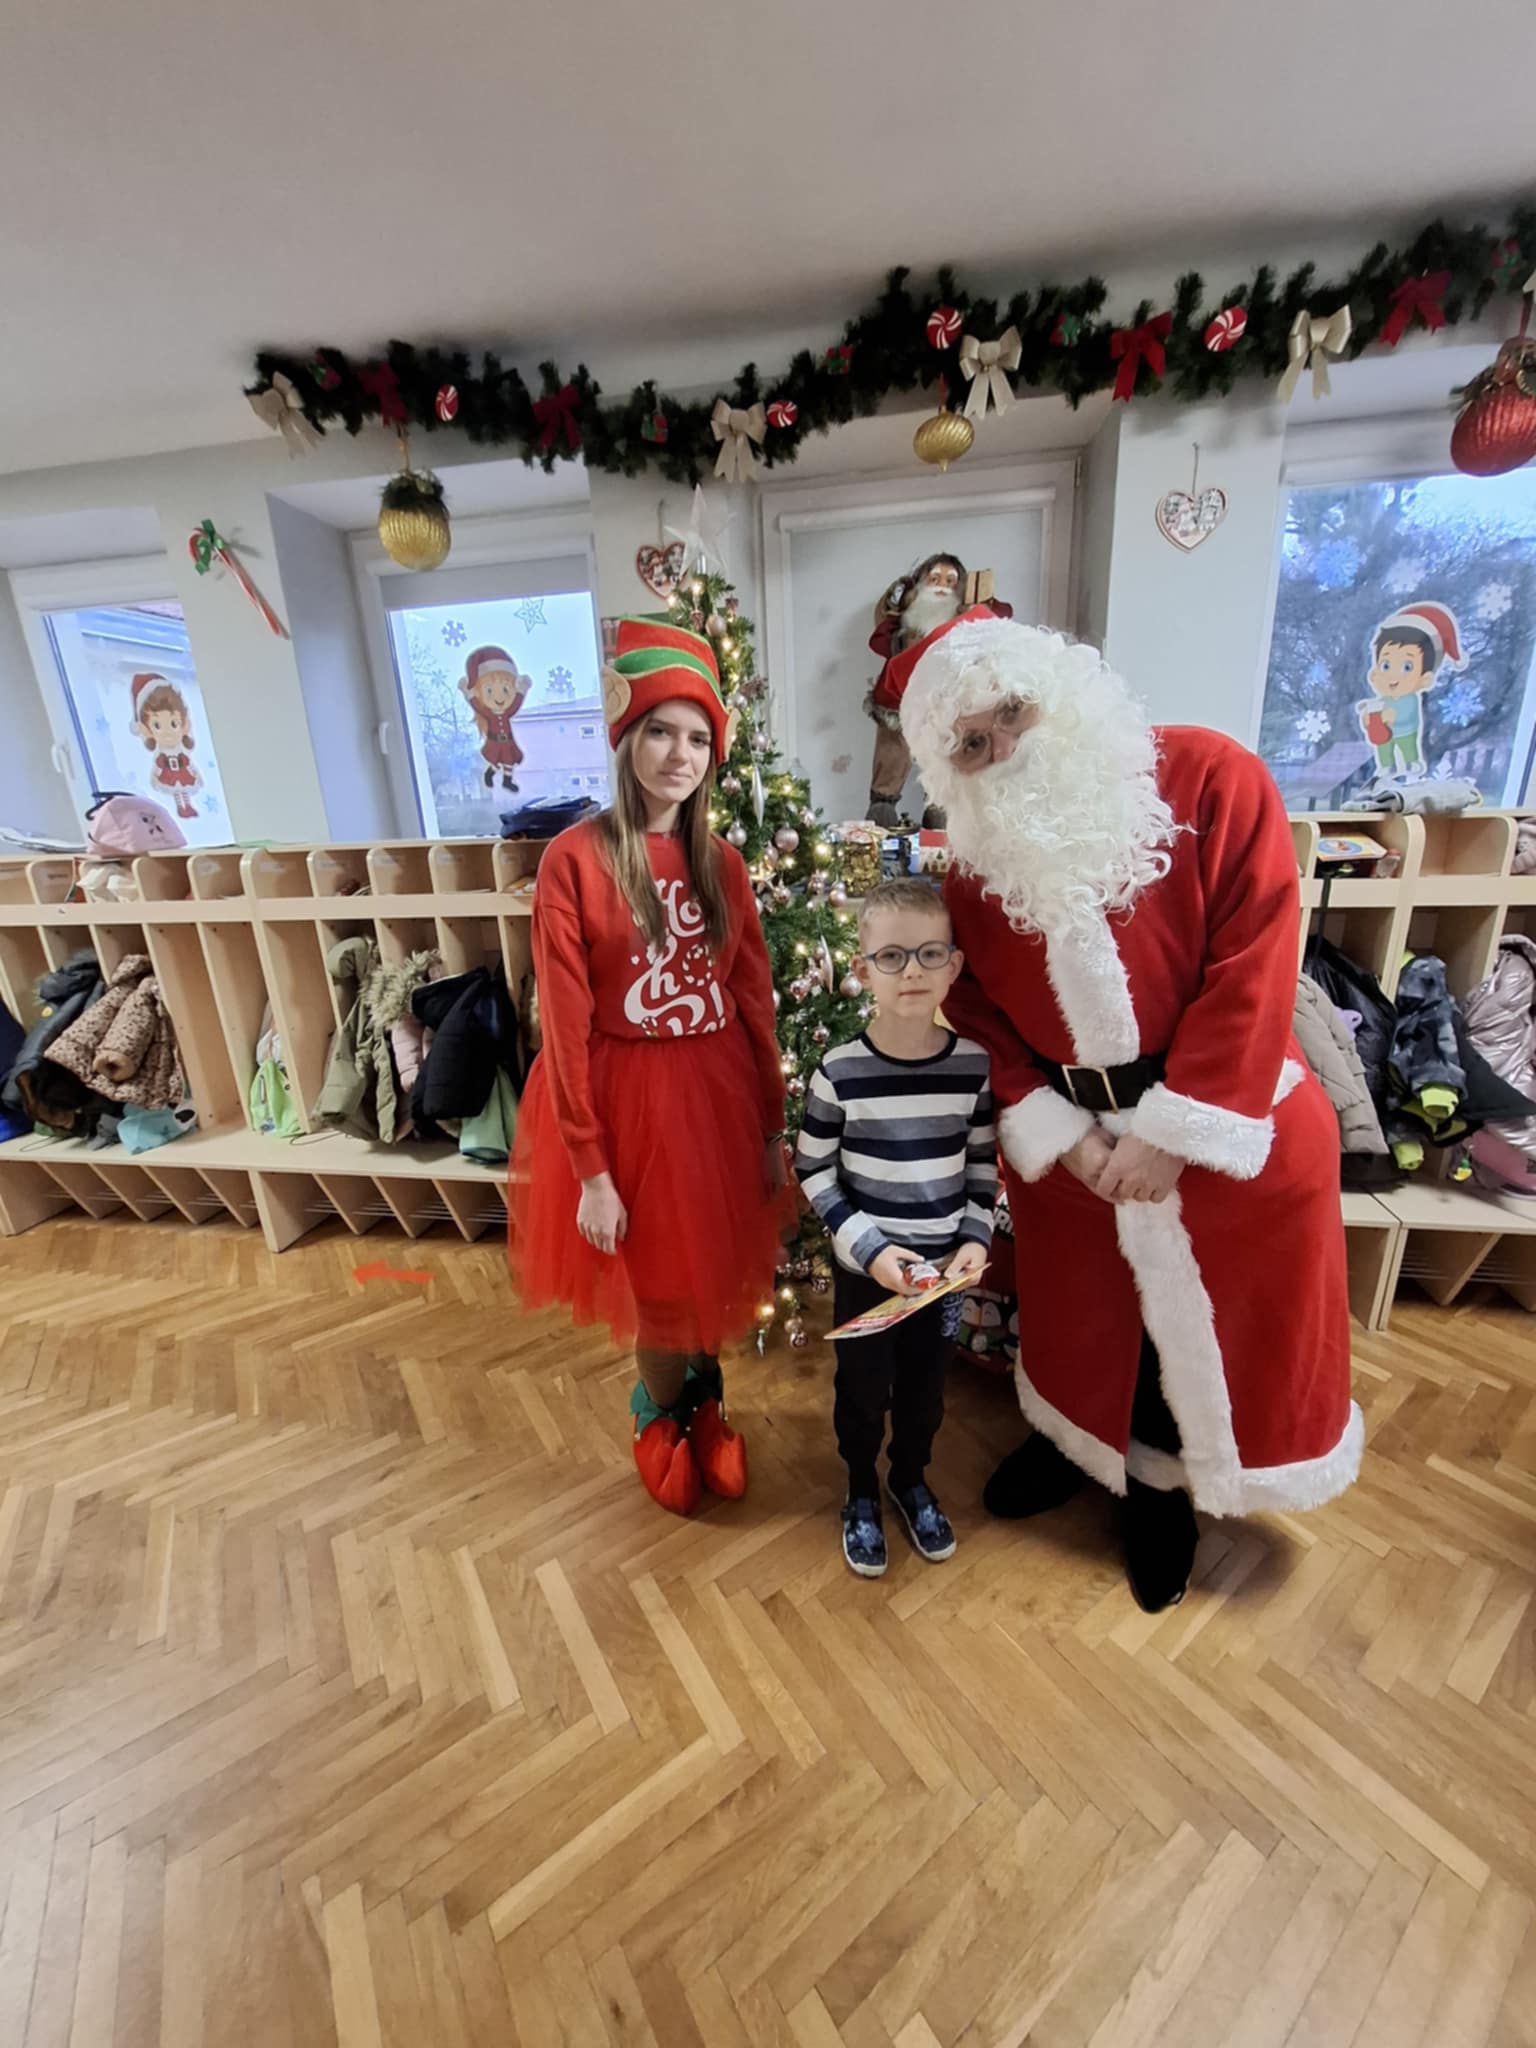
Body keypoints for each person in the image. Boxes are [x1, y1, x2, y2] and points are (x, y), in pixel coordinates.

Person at [889, 610, 1359, 1612]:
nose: (1002, 749)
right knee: (1082, 1321)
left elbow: (1258, 957)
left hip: (1228, 1131)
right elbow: (977, 1013)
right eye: (970, 744)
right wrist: (1061, 1133)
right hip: (1077, 1151)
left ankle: (1162, 1494)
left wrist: (1174, 1132)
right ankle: (1076, 1446)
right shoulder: (972, 865)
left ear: (1060, 691)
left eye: (1011, 712)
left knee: (1200, 1340)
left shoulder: (1212, 777)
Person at [509, 616, 791, 1515]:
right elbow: (564, 1025)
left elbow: (754, 1001)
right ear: (627, 736)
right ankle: (658, 1409)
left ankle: (706, 1400)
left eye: (699, 737)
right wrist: (591, 1169)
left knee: (711, 1269)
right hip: (625, 1102)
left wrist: (772, 1126)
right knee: (662, 1287)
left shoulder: (723, 864)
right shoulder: (574, 860)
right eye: (661, 731)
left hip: (717, 1096)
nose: (680, 755)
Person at [796, 878, 995, 1577]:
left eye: (929, 953)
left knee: (925, 1393)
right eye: (891, 957)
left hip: (940, 1279)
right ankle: (859, 1488)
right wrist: (872, 1251)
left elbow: (981, 1167)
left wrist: (975, 1238)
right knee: (861, 1391)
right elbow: (814, 1170)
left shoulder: (973, 1067)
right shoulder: (838, 1072)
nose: (912, 970)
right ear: (863, 969)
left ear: (953, 965)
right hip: (868, 1275)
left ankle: (909, 1479)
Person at [866, 554, 1012, 829]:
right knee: (892, 750)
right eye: (934, 579)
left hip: (944, 699)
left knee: (945, 752)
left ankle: (939, 810)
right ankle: (882, 805)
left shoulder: (964, 621)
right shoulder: (906, 615)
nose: (942, 586)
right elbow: (883, 617)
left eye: (949, 581)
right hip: (899, 693)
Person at [1356, 601, 1463, 781]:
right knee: (1384, 748)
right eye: (1386, 665)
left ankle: (1411, 762)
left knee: (1407, 746)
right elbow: (1373, 719)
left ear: (1425, 679)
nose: (1393, 676)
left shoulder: (1410, 700)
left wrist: (1391, 716)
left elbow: (1406, 716)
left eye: (1407, 667)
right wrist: (1368, 718)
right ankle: (1386, 766)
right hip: (1384, 735)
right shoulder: (1382, 701)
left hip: (1405, 731)